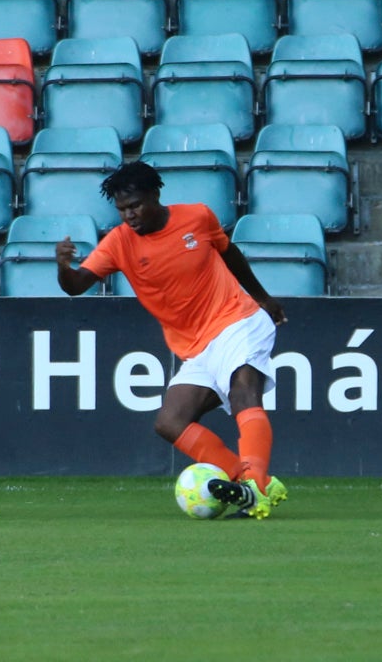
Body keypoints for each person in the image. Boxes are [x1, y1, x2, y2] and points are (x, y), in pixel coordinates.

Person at [56, 160, 288, 519]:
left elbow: (230, 255)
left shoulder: (197, 217)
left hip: (237, 320)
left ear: (155, 195)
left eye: (135, 206)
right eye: (121, 210)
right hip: (195, 346)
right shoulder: (118, 243)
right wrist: (62, 267)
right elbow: (75, 287)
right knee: (170, 422)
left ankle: (254, 486)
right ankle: (250, 482)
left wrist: (261, 296)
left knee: (244, 391)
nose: (129, 216)